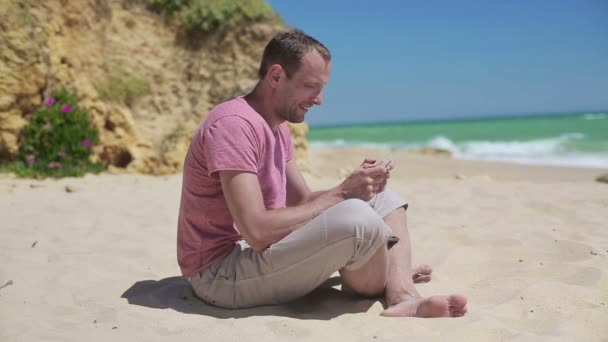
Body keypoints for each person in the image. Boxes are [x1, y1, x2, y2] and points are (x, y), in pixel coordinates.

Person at [177, 30, 467, 318]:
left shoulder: (277, 128)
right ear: (276, 77)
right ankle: (388, 273)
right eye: (311, 86)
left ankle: (402, 294)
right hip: (220, 274)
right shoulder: (234, 125)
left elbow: (302, 200)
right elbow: (256, 231)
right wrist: (342, 195)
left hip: (261, 253)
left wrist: (356, 186)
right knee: (357, 217)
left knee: (384, 200)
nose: (319, 100)